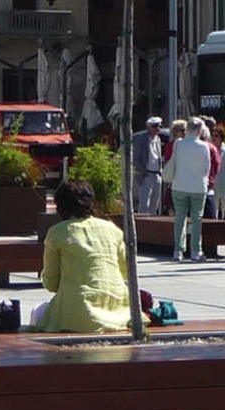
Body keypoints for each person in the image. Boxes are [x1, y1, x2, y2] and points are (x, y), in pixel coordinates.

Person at [33, 181, 132, 332]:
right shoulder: (113, 229)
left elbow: (51, 283)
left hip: (77, 314)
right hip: (118, 311)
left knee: (38, 312)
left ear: (60, 205)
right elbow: (124, 270)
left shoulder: (57, 233)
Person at [163, 118, 213, 262]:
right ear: (199, 131)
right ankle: (195, 251)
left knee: (180, 217)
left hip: (179, 186)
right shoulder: (204, 146)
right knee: (196, 219)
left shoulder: (178, 144)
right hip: (198, 187)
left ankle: (178, 251)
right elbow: (207, 169)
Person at [131, 117, 166, 214]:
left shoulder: (158, 139)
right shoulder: (141, 138)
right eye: (155, 126)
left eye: (159, 126)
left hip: (157, 174)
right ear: (149, 127)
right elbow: (136, 157)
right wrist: (142, 171)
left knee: (155, 204)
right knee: (144, 204)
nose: (157, 128)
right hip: (146, 174)